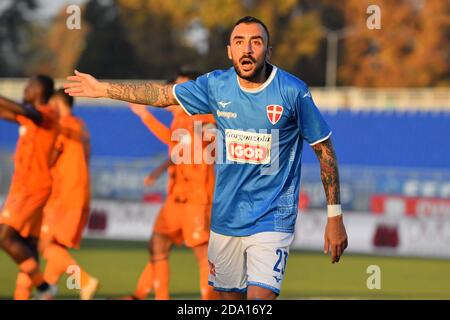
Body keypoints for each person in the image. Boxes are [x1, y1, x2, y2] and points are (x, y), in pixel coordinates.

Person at [64, 16, 348, 300]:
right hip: (225, 219)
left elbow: (324, 150)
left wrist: (334, 216)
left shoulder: (292, 91)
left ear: (268, 51)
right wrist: (103, 90)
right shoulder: (216, 86)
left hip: (271, 219)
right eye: (239, 42)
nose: (247, 49)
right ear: (229, 51)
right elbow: (163, 95)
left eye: (256, 42)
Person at [125, 71, 219, 300]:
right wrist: (158, 172)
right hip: (177, 196)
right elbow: (176, 147)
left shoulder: (204, 116)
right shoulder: (181, 119)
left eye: (183, 87)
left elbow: (204, 145)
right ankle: (153, 296)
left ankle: (212, 299)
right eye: (176, 87)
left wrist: (145, 116)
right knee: (158, 243)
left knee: (201, 252)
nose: (178, 92)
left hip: (197, 196)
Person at [0, 75, 58, 299]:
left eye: (29, 85)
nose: (25, 88)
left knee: (4, 237)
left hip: (32, 187)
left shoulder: (46, 114)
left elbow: (26, 112)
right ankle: (33, 294)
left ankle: (44, 287)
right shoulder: (30, 119)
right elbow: (9, 113)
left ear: (39, 90)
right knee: (27, 244)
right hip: (24, 186)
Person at [39, 89, 99, 300]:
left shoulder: (62, 126)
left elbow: (49, 156)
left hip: (64, 195)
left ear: (56, 103)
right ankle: (47, 292)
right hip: (81, 194)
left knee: (45, 245)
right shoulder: (81, 126)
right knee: (57, 247)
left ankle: (84, 281)